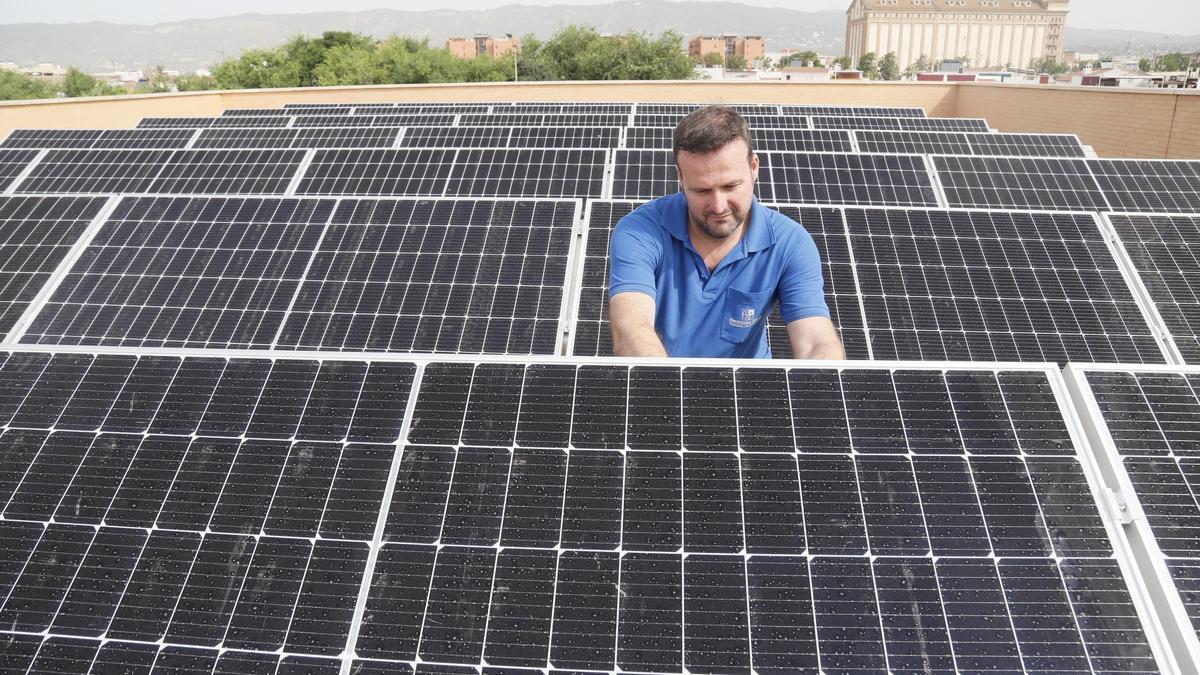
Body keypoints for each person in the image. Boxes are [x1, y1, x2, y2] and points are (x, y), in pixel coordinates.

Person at [608, 105, 845, 359]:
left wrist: (825, 378)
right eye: (701, 190)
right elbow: (631, 329)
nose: (719, 206)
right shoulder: (640, 232)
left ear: (754, 167)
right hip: (663, 387)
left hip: (750, 392)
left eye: (731, 186)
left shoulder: (790, 243)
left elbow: (814, 340)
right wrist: (671, 389)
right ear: (680, 176)